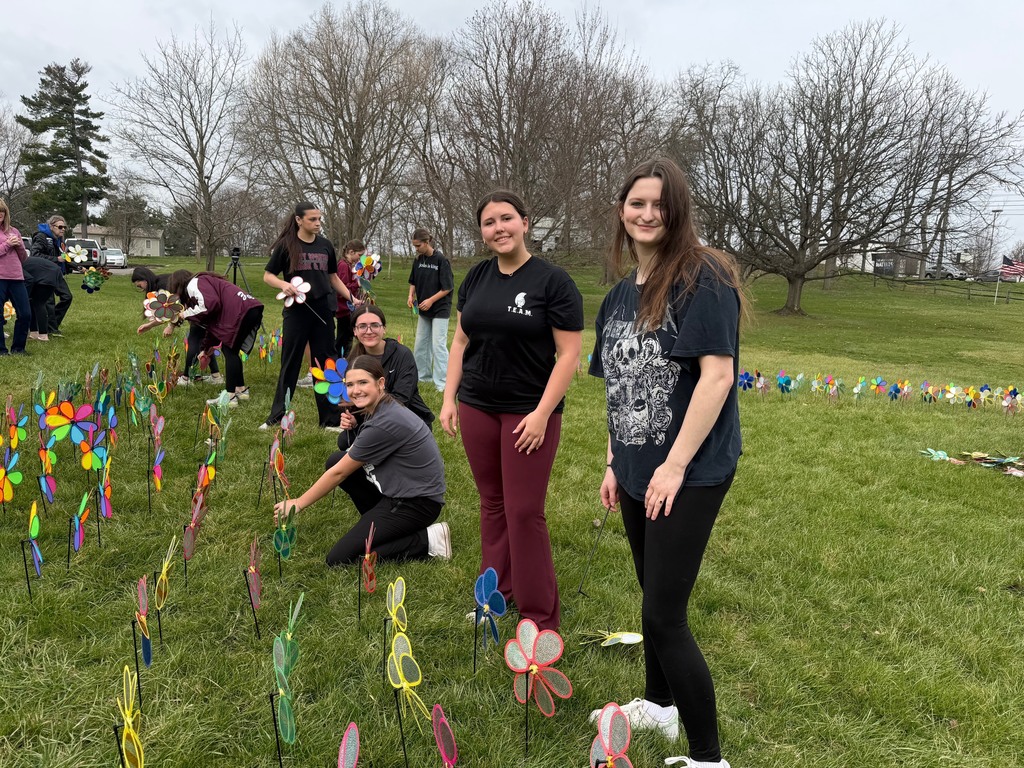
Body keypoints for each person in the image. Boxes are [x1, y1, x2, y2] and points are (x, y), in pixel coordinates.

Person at [589, 158, 745, 768]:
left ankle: (708, 759)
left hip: (690, 470)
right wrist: (613, 462)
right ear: (621, 211)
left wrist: (675, 466)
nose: (648, 214)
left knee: (664, 614)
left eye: (660, 204)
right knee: (651, 592)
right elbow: (617, 388)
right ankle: (659, 706)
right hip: (636, 469)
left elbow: (717, 378)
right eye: (637, 203)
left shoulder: (704, 277)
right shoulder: (617, 297)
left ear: (677, 210)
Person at [439, 191, 583, 631]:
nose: (498, 228)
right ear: (482, 232)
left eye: (506, 218)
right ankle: (494, 597)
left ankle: (540, 615)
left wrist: (542, 413)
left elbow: (569, 355)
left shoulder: (553, 281)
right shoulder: (476, 277)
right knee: (492, 504)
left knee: (523, 511)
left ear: (525, 222)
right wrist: (448, 398)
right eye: (489, 222)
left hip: (528, 412)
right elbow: (460, 341)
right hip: (477, 405)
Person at [273, 355, 451, 567]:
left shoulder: (384, 422)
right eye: (350, 384)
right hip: (403, 491)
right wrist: (356, 424)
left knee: (339, 559)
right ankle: (382, 525)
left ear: (380, 383)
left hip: (417, 504)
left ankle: (428, 540)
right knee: (336, 459)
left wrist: (298, 503)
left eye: (363, 382)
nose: (356, 390)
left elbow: (339, 473)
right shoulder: (383, 407)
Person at [262, 203, 349, 429]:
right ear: (299, 220)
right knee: (290, 362)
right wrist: (283, 284)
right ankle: (277, 416)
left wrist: (352, 298)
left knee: (326, 363)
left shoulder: (325, 245)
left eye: (319, 219)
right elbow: (268, 276)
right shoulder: (286, 245)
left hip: (323, 311)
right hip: (296, 313)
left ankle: (330, 420)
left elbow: (333, 277)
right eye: (312, 219)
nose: (318, 223)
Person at [166, 270, 264, 407]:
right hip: (250, 308)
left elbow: (209, 305)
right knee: (232, 350)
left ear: (178, 286)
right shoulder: (205, 283)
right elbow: (213, 325)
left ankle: (230, 397)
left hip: (242, 310)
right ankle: (241, 390)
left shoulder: (193, 283)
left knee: (229, 350)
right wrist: (206, 350)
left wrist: (185, 314)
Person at [132, 267, 222, 385]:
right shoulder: (159, 283)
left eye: (139, 285)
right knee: (202, 342)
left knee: (194, 341)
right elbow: (170, 313)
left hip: (199, 311)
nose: (141, 288)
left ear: (145, 280)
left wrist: (171, 326)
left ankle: (186, 378)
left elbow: (174, 309)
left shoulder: (162, 286)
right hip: (199, 311)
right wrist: (150, 325)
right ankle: (216, 377)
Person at [407, 228, 454, 392]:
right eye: (414, 246)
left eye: (418, 245)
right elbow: (413, 281)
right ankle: (423, 377)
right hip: (423, 309)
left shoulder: (441, 260)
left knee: (438, 345)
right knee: (421, 344)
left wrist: (431, 300)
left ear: (427, 242)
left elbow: (447, 287)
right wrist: (411, 295)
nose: (416, 249)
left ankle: (442, 383)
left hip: (440, 308)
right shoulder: (418, 260)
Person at [29, 215, 73, 337]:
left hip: (56, 273)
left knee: (67, 297)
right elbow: (35, 255)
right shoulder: (41, 237)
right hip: (43, 274)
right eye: (60, 227)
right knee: (48, 302)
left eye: (64, 227)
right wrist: (56, 259)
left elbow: (64, 258)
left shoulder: (60, 240)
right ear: (51, 226)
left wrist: (78, 267)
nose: (63, 229)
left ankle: (51, 324)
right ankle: (50, 329)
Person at [0, 199, 31, 354]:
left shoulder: (14, 231)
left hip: (16, 277)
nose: (0, 214)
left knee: (25, 314)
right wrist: (8, 244)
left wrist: (18, 245)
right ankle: (1, 350)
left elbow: (23, 258)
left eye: (2, 211)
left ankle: (19, 348)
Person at [334, 239, 364, 357]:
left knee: (348, 338)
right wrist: (357, 284)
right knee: (343, 340)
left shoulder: (349, 265)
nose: (360, 258)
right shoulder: (343, 266)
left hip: (349, 309)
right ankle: (338, 361)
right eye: (359, 255)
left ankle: (344, 359)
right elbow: (342, 289)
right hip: (343, 309)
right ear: (351, 252)